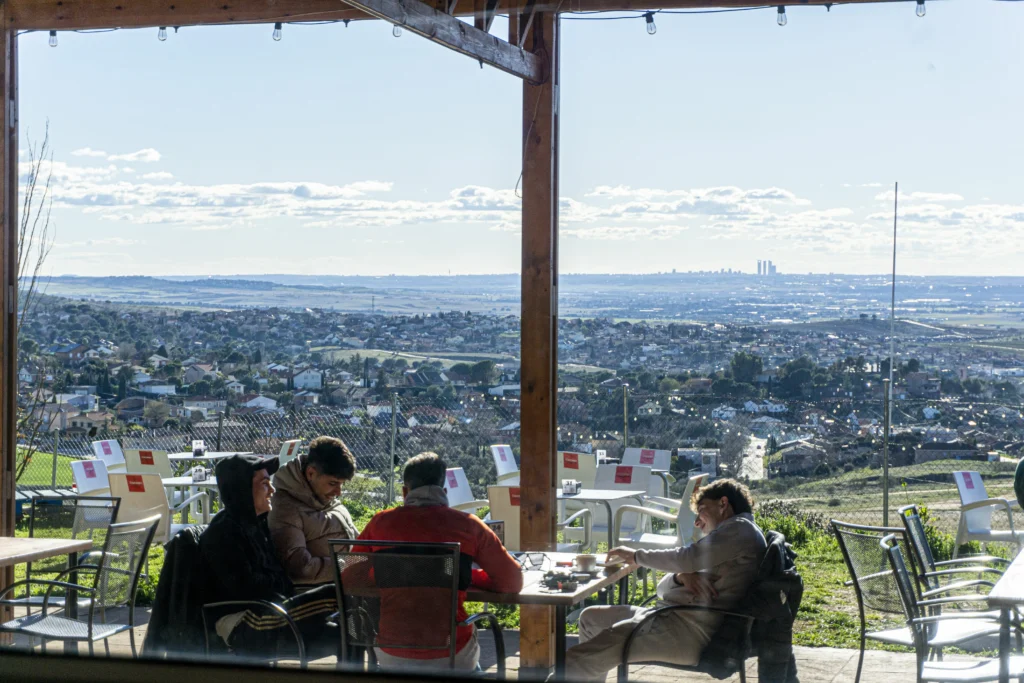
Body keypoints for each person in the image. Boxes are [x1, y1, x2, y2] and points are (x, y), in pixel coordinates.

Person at [565, 478, 767, 681]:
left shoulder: (741, 530)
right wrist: (682, 576)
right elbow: (665, 587)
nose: (697, 522)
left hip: (686, 633)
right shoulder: (730, 540)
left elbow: (687, 558)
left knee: (577, 660)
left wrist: (636, 557)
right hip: (667, 616)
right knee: (589, 619)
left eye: (702, 509)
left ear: (723, 504)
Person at [350, 451, 523, 671]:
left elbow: (350, 576)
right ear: (445, 491)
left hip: (390, 652)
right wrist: (465, 576)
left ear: (405, 491)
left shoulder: (379, 523)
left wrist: (393, 573)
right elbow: (512, 582)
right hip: (451, 654)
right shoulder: (469, 525)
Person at [198, 454, 336, 660]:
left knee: (346, 629)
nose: (272, 490)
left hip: (272, 610)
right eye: (265, 484)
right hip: (246, 622)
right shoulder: (223, 533)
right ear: (242, 490)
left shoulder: (256, 525)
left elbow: (272, 577)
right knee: (337, 594)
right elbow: (248, 589)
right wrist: (283, 590)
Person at [269, 435, 358, 584]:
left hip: (348, 586)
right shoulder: (285, 508)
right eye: (333, 483)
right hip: (319, 597)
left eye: (341, 485)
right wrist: (353, 564)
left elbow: (360, 544)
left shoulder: (326, 497)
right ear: (311, 473)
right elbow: (301, 568)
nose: (338, 492)